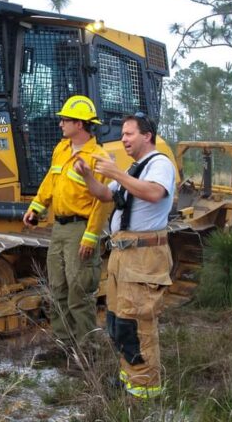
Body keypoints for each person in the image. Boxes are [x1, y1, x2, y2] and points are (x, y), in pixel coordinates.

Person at [74, 113, 176, 399]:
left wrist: (116, 172)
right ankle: (128, 377)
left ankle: (145, 390)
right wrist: (88, 176)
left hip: (144, 256)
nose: (123, 139)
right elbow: (106, 195)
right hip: (122, 255)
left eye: (129, 133)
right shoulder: (134, 169)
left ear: (147, 136)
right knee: (118, 321)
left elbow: (155, 194)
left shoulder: (159, 164)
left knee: (138, 323)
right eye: (122, 134)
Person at [23, 95, 110, 350]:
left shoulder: (98, 157)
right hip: (58, 228)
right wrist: (36, 208)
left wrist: (91, 236)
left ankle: (87, 350)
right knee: (58, 288)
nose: (60, 123)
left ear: (80, 124)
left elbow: (103, 202)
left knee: (79, 291)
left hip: (79, 229)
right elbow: (50, 183)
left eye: (65, 120)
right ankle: (64, 345)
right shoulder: (61, 150)